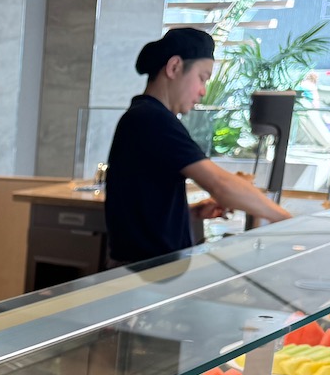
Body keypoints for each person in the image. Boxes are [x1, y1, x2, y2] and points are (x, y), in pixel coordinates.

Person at [105, 28, 292, 265]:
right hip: (147, 276)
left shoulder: (144, 116)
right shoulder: (152, 119)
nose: (203, 91)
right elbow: (220, 184)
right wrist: (287, 219)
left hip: (146, 271)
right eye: (202, 78)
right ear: (174, 67)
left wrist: (191, 213)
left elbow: (142, 209)